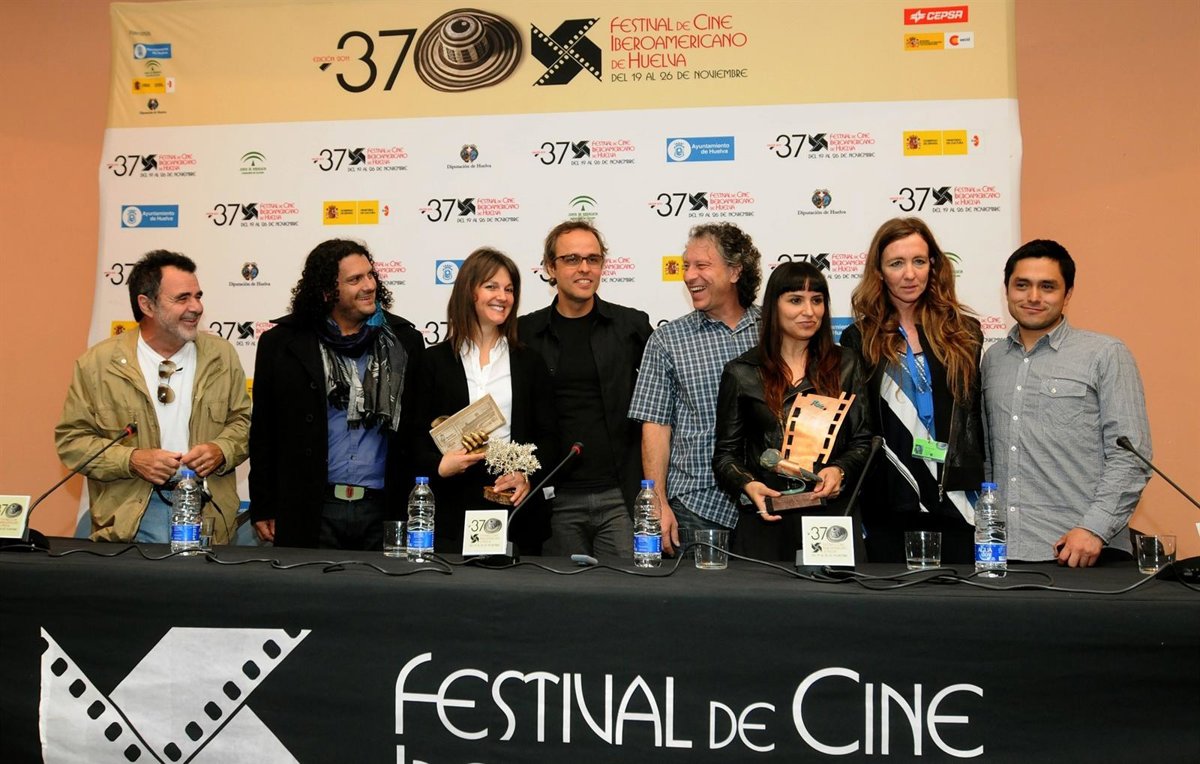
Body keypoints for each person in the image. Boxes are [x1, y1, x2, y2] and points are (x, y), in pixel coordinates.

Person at [55, 250, 251, 543]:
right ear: (146, 305)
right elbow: (72, 442)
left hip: (207, 508)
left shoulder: (221, 355)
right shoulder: (98, 363)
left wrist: (221, 449)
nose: (196, 307)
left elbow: (244, 422)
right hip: (131, 515)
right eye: (182, 298)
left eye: (198, 296)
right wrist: (132, 459)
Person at [982, 239, 1151, 566]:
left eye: (1047, 286)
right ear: (1007, 290)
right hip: (1004, 555)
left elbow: (1132, 456)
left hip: (1083, 554)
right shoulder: (993, 360)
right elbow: (990, 457)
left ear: (1068, 294)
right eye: (1022, 285)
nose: (1033, 297)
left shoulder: (1105, 354)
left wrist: (1094, 529)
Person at [249, 239, 424, 550]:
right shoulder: (281, 344)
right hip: (311, 508)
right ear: (327, 291)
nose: (369, 285)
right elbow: (264, 432)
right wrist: (263, 504)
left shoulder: (404, 341)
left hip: (384, 508)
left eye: (370, 275)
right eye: (355, 279)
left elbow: (417, 430)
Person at [841, 218, 985, 563]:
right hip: (888, 498)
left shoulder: (965, 332)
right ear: (879, 271)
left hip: (955, 497)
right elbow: (858, 426)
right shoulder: (860, 337)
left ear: (933, 265)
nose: (910, 274)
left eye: (919, 261)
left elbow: (972, 416)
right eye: (896, 263)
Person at [713, 263, 873, 560]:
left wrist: (839, 470)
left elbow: (863, 441)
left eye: (817, 300)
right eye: (796, 300)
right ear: (774, 307)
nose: (809, 311)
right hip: (768, 516)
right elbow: (725, 455)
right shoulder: (742, 372)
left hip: (829, 518)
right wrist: (748, 484)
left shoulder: (846, 364)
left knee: (836, 592)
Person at [519, 221, 652, 558]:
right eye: (572, 259)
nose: (584, 268)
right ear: (550, 268)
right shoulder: (525, 333)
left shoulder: (631, 326)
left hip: (621, 496)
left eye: (593, 259)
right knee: (560, 592)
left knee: (629, 587)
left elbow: (660, 407)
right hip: (554, 497)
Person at [628, 222, 762, 554]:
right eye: (686, 266)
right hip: (696, 508)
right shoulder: (667, 340)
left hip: (769, 506)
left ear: (735, 271)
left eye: (702, 265)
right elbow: (656, 426)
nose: (689, 276)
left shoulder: (772, 331)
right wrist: (658, 502)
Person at [415, 248, 557, 555]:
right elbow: (410, 440)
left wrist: (526, 476)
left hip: (512, 507)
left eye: (509, 289)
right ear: (470, 292)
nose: (503, 297)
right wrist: (439, 466)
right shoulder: (433, 362)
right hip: (450, 510)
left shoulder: (529, 362)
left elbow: (549, 436)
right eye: (492, 286)